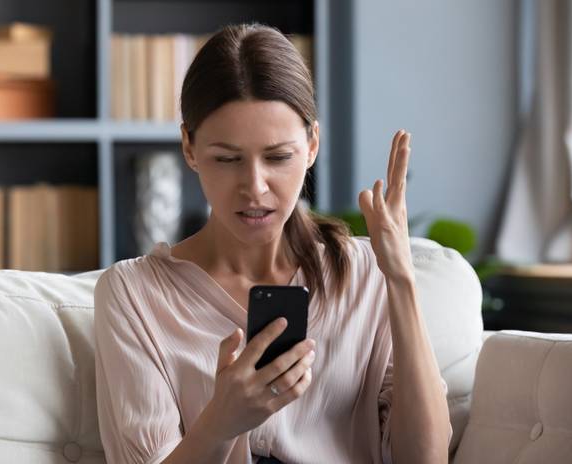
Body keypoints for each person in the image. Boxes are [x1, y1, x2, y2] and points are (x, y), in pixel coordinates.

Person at [94, 23, 452, 464]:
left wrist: (400, 280)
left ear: (312, 144)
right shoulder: (134, 295)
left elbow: (427, 459)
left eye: (279, 157)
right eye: (227, 159)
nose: (255, 188)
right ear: (189, 147)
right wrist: (220, 423)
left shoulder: (366, 274)